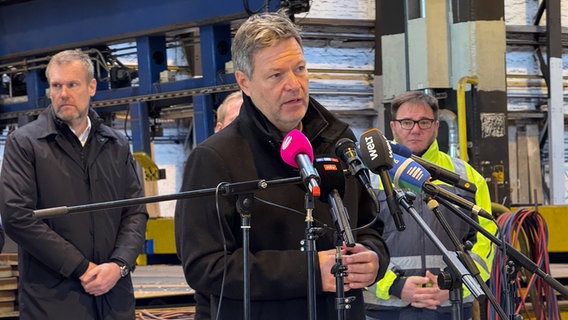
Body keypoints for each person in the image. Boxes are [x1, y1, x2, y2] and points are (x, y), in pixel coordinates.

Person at [175, 10, 389, 320]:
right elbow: (204, 266)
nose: (294, 84)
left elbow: (370, 227)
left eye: (299, 69)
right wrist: (310, 270)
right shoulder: (215, 159)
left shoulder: (338, 140)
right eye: (276, 75)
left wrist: (374, 259)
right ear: (244, 82)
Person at [0, 49, 148, 319]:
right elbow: (16, 217)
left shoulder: (115, 145)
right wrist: (81, 267)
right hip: (53, 302)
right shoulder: (25, 144)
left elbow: (135, 211)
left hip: (113, 299)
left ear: (92, 87)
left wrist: (119, 265)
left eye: (72, 84)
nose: (63, 93)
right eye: (56, 85)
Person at [364, 91, 498, 320]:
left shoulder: (466, 177)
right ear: (393, 126)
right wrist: (394, 285)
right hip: (386, 308)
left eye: (424, 122)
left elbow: (486, 241)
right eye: (407, 122)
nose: (415, 129)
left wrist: (456, 284)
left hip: (451, 304)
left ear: (436, 126)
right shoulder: (368, 177)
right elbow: (356, 240)